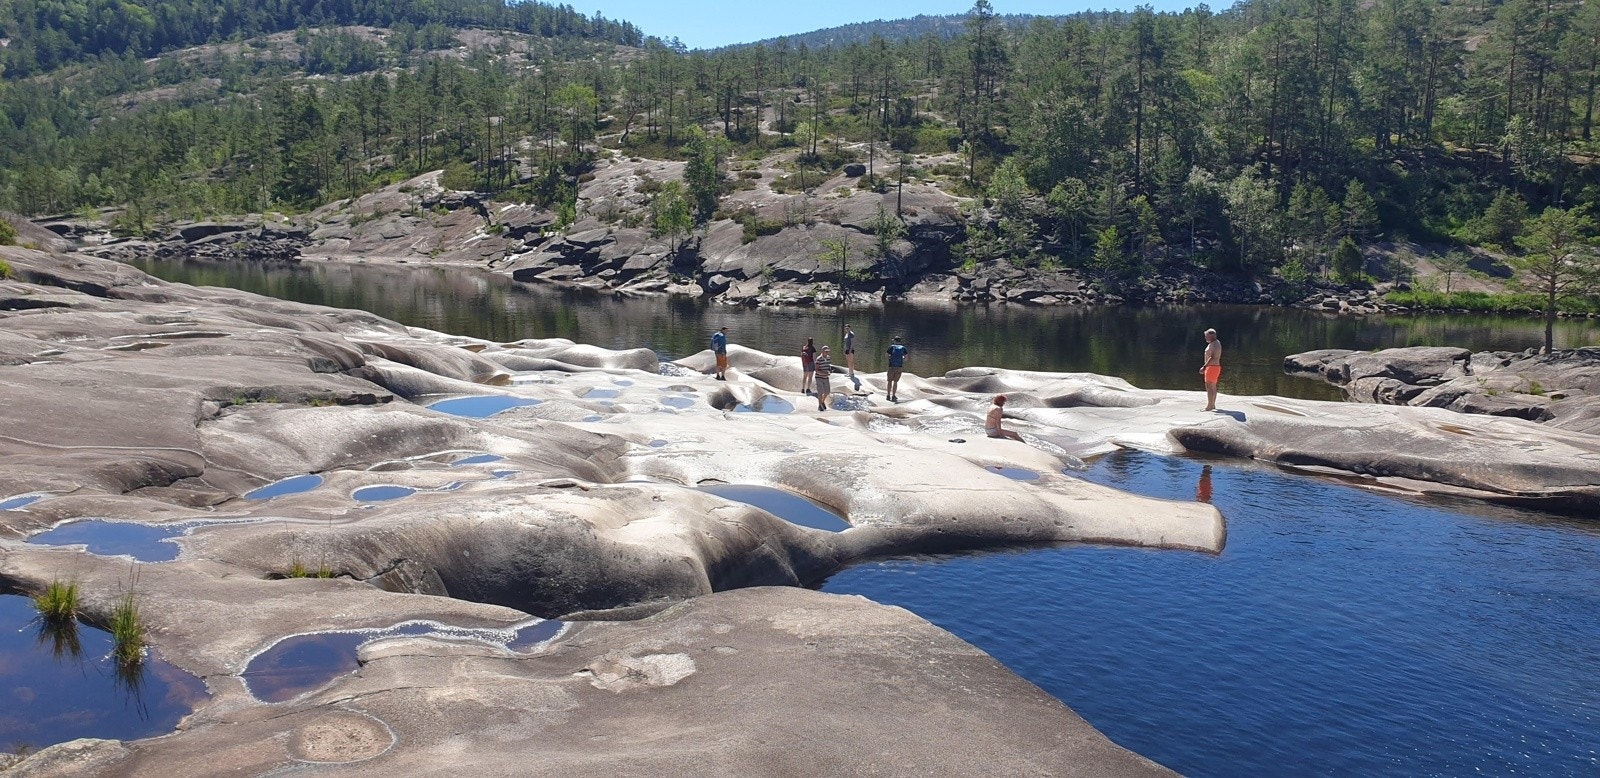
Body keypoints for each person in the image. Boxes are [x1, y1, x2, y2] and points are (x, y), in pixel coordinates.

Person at [1199, 327, 1222, 411]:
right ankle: (1212, 405)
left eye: (1207, 336)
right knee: (1212, 386)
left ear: (1212, 336)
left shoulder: (1215, 344)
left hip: (1212, 367)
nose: (1205, 338)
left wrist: (1204, 367)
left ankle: (1209, 406)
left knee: (1209, 386)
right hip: (1214, 367)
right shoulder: (1214, 343)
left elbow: (1212, 357)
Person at [885, 335, 907, 401]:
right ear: (900, 341)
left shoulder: (891, 347)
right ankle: (893, 395)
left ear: (895, 341)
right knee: (895, 382)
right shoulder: (903, 348)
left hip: (891, 366)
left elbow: (886, 355)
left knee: (889, 381)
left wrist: (889, 358)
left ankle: (888, 395)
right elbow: (906, 358)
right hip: (899, 367)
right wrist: (902, 361)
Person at [813, 345, 834, 411]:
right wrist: (824, 373)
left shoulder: (828, 358)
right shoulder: (819, 359)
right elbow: (816, 370)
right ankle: (820, 405)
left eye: (828, 351)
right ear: (822, 351)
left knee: (827, 391)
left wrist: (830, 371)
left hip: (826, 377)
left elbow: (829, 366)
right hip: (819, 377)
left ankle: (822, 401)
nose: (827, 353)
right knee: (820, 392)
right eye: (826, 351)